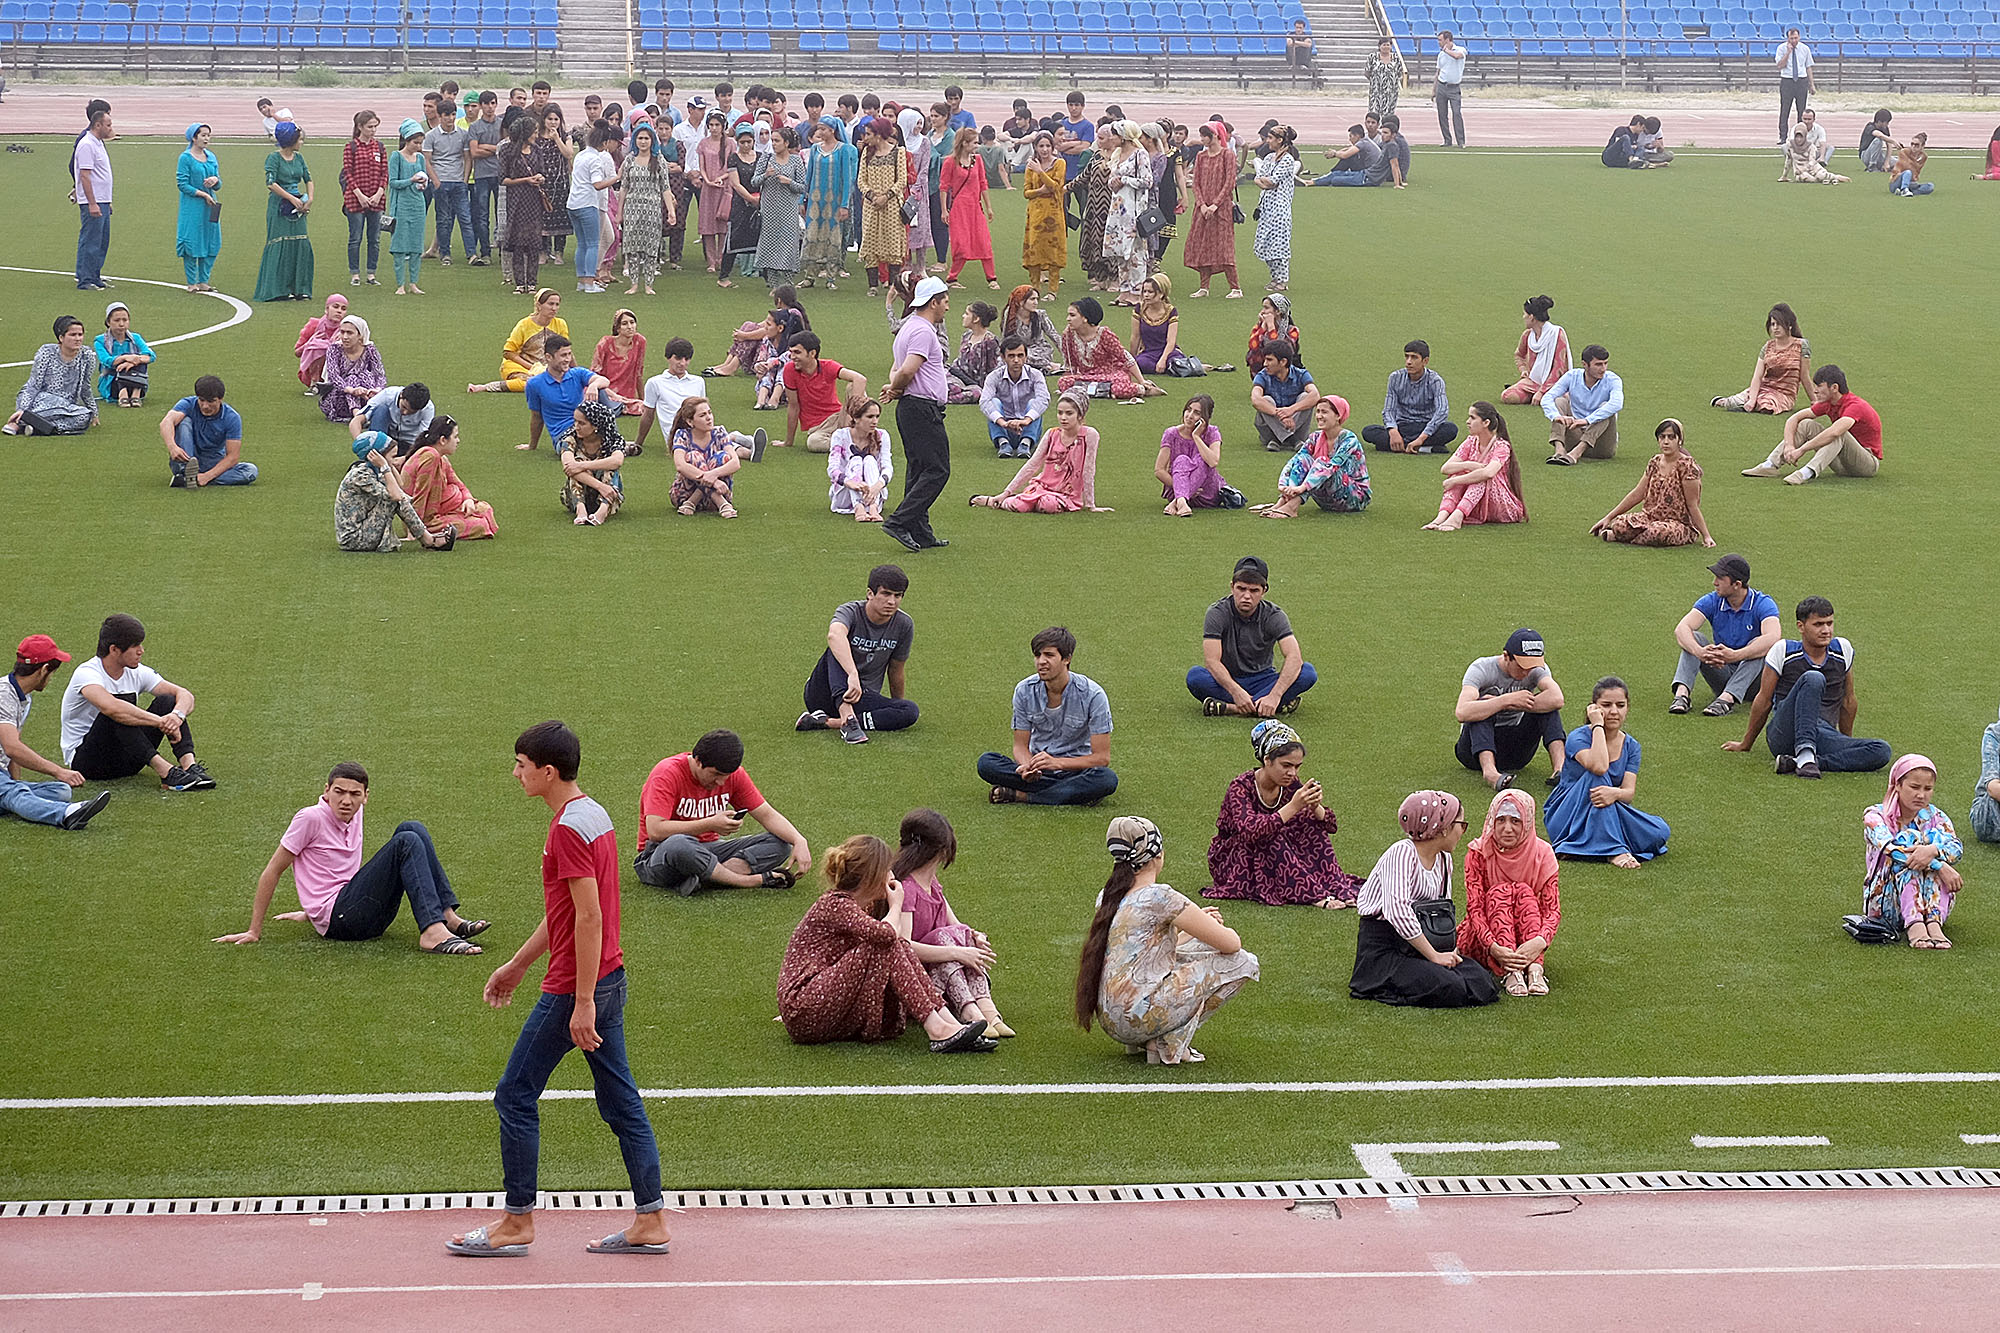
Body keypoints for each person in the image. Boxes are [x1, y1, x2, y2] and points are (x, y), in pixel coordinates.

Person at [446, 721, 672, 1260]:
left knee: (515, 1094)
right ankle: (651, 1218)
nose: (516, 773)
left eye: (521, 764)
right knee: (621, 1101)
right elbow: (567, 911)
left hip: (576, 988)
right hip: (609, 978)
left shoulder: (566, 831)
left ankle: (516, 1221)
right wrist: (518, 964)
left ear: (547, 772)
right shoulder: (594, 815)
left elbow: (589, 917)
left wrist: (582, 1002)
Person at [216, 761, 487, 954]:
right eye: (339, 792)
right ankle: (432, 932)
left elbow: (332, 870)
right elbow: (273, 870)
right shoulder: (309, 818)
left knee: (412, 828)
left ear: (365, 797)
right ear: (326, 790)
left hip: (360, 911)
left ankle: (448, 917)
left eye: (355, 794)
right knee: (406, 842)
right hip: (342, 922)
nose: (346, 801)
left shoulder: (355, 812)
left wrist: (310, 913)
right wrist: (254, 930)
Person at [777, 834, 996, 1052]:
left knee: (897, 943)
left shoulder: (862, 905)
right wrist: (897, 904)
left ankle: (948, 1024)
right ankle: (938, 1028)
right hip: (805, 1007)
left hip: (825, 1005)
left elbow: (894, 940)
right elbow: (886, 935)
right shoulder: (835, 904)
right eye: (886, 870)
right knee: (887, 942)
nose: (891, 875)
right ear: (871, 877)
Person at [1076, 815, 1259, 1065]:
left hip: (1112, 1019)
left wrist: (1194, 928)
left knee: (1196, 947)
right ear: (1157, 855)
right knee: (1243, 962)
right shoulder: (1160, 897)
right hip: (1139, 1016)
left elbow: (1146, 951)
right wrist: (1212, 925)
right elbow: (1231, 944)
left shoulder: (1107, 896)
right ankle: (1167, 1041)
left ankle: (1145, 1041)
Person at [1350, 790, 1500, 1007]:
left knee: (1481, 982)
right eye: (1461, 824)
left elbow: (1443, 909)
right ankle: (1379, 982)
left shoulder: (1444, 859)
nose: (1462, 831)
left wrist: (1447, 949)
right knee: (1450, 987)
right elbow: (1397, 911)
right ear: (1444, 827)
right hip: (1387, 949)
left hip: (1425, 942)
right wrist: (1434, 956)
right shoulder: (1402, 853)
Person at [1725, 596, 1891, 778]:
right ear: (1801, 626)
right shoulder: (1783, 650)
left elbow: (1848, 700)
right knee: (1813, 678)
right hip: (1785, 733)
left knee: (1882, 750)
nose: (1826, 630)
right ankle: (1805, 753)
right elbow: (1763, 700)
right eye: (1818, 624)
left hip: (1822, 733)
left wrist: (1846, 741)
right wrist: (1746, 744)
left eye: (1829, 623)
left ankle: (1803, 762)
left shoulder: (1843, 650)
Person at [1203, 720, 1361, 909]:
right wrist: (1294, 806)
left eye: (1297, 766)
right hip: (1233, 859)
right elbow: (1250, 832)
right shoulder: (1240, 787)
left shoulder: (1291, 784)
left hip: (1274, 854)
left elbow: (1330, 826)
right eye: (1286, 765)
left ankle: (1334, 884)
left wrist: (1315, 806)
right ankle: (1312, 894)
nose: (1292, 773)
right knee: (1271, 834)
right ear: (1267, 760)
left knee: (1309, 823)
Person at [634, 729, 810, 896]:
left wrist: (798, 840)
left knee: (781, 844)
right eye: (716, 774)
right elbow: (655, 831)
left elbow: (766, 814)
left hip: (709, 851)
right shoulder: (666, 773)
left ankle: (707, 879)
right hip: (660, 856)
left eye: (726, 775)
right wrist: (710, 824)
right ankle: (748, 881)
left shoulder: (733, 775)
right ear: (698, 761)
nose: (721, 782)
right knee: (679, 843)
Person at [59, 613, 215, 791]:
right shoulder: (87, 674)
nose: (141, 651)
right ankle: (167, 774)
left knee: (168, 701)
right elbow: (112, 708)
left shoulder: (137, 672)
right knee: (117, 712)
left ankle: (189, 766)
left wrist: (176, 717)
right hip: (89, 764)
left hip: (130, 759)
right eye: (135, 646)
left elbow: (184, 695)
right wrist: (160, 722)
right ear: (114, 650)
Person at [892, 809, 1013, 1037]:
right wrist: (957, 952)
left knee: (956, 938)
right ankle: (970, 1012)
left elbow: (955, 926)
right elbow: (904, 946)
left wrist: (974, 938)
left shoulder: (932, 883)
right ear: (940, 851)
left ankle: (988, 1011)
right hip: (919, 978)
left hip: (939, 966)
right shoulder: (907, 888)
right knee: (945, 942)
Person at [976, 626, 1118, 806]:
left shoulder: (1093, 695)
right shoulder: (1024, 691)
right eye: (1037, 655)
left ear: (1067, 659)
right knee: (986, 763)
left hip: (1076, 770)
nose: (1041, 662)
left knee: (1106, 778)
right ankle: (1070, 793)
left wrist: (1057, 763)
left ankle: (1023, 796)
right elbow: (1020, 746)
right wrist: (1028, 767)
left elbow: (1102, 758)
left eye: (1049, 655)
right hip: (1040, 771)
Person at [1543, 677, 1670, 868]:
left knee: (1659, 831)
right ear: (1593, 707)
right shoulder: (1578, 737)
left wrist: (1614, 793)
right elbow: (1599, 766)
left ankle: (1583, 847)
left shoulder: (1632, 746)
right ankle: (1614, 850)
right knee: (1597, 777)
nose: (1614, 711)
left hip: (1606, 806)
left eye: (1620, 705)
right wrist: (1597, 725)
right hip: (1567, 811)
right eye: (1606, 705)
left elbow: (1628, 793)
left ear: (1627, 708)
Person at [0, 634, 112, 832]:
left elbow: (12, 747)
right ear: (44, 669)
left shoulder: (22, 697)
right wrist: (58, 771)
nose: (51, 678)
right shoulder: (4, 696)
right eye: (52, 672)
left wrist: (14, 782)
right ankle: (66, 814)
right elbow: (12, 748)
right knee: (15, 792)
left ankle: (14, 798)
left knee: (60, 791)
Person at [797, 565, 919, 744]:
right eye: (886, 594)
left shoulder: (904, 624)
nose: (892, 602)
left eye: (897, 596)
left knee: (910, 710)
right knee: (837, 647)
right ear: (870, 593)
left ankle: (827, 722)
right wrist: (852, 674)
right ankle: (848, 720)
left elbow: (896, 669)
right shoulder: (851, 611)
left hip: (861, 696)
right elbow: (834, 635)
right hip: (823, 693)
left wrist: (896, 706)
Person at [1187, 555, 1315, 718]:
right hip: (1228, 680)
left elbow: (1294, 657)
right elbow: (1212, 661)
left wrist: (1275, 695)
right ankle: (1266, 707)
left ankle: (1230, 708)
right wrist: (1236, 691)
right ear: (1232, 587)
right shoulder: (1217, 613)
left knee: (1307, 673)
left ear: (1264, 591)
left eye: (1254, 590)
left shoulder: (1274, 615)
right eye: (1241, 589)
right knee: (1195, 677)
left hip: (1263, 679)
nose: (1246, 596)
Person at [1458, 789, 1558, 996]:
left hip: (1527, 936)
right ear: (1492, 821)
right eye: (1501, 820)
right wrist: (1494, 947)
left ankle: (1535, 969)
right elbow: (1475, 909)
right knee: (1501, 891)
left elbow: (1552, 910)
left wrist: (1538, 943)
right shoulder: (1478, 852)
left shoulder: (1543, 853)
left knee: (1523, 892)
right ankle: (1511, 971)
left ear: (1527, 823)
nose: (1507, 829)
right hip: (1481, 940)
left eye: (1515, 821)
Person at [881, 276, 954, 553]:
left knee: (919, 469)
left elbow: (896, 369)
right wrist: (897, 387)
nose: (947, 307)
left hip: (912, 407)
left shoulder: (908, 327)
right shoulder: (924, 331)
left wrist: (895, 387)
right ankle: (899, 521)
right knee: (938, 470)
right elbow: (908, 369)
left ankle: (920, 530)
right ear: (933, 302)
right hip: (922, 408)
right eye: (945, 301)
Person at [1862, 755, 1965, 948]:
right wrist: (1939, 865)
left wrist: (1933, 850)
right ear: (1897, 785)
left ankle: (1933, 924)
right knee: (1912, 861)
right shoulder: (1875, 816)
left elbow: (1956, 847)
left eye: (1928, 789)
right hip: (1885, 902)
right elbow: (1893, 851)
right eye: (1914, 787)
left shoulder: (1936, 816)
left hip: (1930, 902)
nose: (1921, 795)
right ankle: (1915, 925)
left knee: (1928, 852)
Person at [1669, 553, 1783, 718]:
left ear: (1737, 584)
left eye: (1720, 578)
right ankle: (1682, 695)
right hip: (1722, 671)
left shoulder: (1763, 603)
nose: (1714, 582)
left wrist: (1737, 655)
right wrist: (1699, 652)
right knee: (1694, 637)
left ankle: (1727, 699)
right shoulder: (1712, 600)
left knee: (1760, 645)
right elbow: (1682, 628)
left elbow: (1773, 637)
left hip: (1754, 682)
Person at [1455, 628, 1567, 790]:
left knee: (1549, 709)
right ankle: (1490, 773)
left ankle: (1560, 770)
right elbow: (1462, 711)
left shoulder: (1537, 670)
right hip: (1473, 752)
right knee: (1482, 705)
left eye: (1532, 666)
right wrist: (1504, 701)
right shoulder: (1481, 668)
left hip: (1516, 753)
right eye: (1522, 666)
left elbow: (1557, 698)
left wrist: (1519, 703)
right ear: (1506, 656)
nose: (1527, 672)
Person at [970, 391, 1108, 514]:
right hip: (1042, 487)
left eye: (1069, 413)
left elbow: (1088, 470)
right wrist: (1006, 492)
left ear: (1080, 416)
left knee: (1047, 504)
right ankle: (995, 501)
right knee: (1017, 505)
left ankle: (1032, 501)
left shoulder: (1089, 435)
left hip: (1067, 494)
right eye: (1060, 413)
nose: (1063, 418)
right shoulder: (1052, 434)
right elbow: (1032, 464)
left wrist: (1090, 505)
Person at [1742, 364, 1880, 485]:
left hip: (1866, 465)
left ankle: (1806, 473)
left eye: (1819, 386)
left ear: (1834, 387)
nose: (1815, 390)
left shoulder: (1855, 406)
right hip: (1841, 463)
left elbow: (1835, 432)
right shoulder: (1828, 403)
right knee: (1806, 424)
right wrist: (1789, 446)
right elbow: (1793, 419)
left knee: (1839, 433)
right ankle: (1770, 465)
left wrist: (1802, 450)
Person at [1590, 418, 1712, 548]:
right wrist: (1608, 518)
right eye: (1662, 437)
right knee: (1619, 524)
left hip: (1678, 523)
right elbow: (1638, 493)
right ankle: (1626, 534)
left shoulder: (1687, 467)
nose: (1666, 442)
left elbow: (1693, 505)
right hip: (1649, 517)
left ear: (1679, 440)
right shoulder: (1655, 462)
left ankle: (1620, 537)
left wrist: (1706, 536)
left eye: (1671, 437)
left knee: (1658, 532)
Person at [337, 434, 457, 552]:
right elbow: (396, 496)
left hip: (362, 530)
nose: (395, 460)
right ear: (378, 456)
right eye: (393, 456)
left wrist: (388, 465)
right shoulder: (361, 475)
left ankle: (427, 538)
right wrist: (384, 466)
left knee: (397, 496)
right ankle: (428, 540)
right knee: (393, 499)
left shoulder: (373, 470)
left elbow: (400, 485)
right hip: (353, 539)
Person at [1259, 395, 1369, 518]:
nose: (1319, 416)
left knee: (1323, 463)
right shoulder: (1315, 437)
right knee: (1304, 459)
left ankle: (1292, 506)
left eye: (1324, 412)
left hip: (1354, 498)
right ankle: (1283, 501)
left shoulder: (1349, 440)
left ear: (1338, 416)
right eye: (1318, 411)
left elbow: (1331, 466)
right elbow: (1296, 460)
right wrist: (1283, 485)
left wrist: (1302, 487)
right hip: (1327, 499)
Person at [1425, 401, 1525, 531]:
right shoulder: (1471, 441)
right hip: (1476, 501)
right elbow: (1446, 468)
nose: (1467, 422)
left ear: (1486, 423)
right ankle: (1441, 516)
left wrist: (1455, 480)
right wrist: (1468, 465)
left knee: (1479, 478)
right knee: (1460, 472)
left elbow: (1488, 473)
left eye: (1472, 418)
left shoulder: (1501, 446)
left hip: (1500, 504)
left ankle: (1457, 517)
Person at [400, 415, 495, 540]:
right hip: (427, 520)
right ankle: (430, 532)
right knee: (481, 525)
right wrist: (414, 529)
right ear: (443, 440)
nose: (458, 441)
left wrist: (468, 500)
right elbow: (420, 495)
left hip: (444, 507)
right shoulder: (430, 457)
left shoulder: (440, 457)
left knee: (485, 509)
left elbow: (459, 484)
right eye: (455, 437)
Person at [4, 316, 98, 437]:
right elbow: (33, 385)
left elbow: (85, 387)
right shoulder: (46, 352)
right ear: (61, 338)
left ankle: (33, 427)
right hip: (40, 399)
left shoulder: (87, 355)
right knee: (48, 408)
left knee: (84, 416)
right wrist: (22, 409)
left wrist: (94, 412)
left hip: (66, 406)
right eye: (73, 335)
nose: (77, 339)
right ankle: (23, 419)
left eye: (80, 335)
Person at [252, 118, 314, 302]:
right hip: (280, 206)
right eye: (299, 139)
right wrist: (291, 198)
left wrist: (309, 198)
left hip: (298, 205)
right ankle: (276, 289)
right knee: (280, 242)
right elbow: (271, 183)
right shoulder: (274, 158)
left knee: (300, 241)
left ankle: (300, 288)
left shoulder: (299, 158)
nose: (301, 142)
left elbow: (308, 178)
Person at [160, 374, 256, 489]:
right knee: (184, 421)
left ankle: (188, 479)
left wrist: (207, 476)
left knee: (250, 470)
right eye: (201, 400)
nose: (205, 406)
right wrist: (173, 447)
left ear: (220, 399)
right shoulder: (188, 403)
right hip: (185, 457)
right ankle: (186, 470)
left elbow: (233, 456)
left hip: (212, 460)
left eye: (211, 401)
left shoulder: (231, 417)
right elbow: (166, 422)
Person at [1712, 303, 1809, 414]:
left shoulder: (1801, 346)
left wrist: (1815, 401)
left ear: (1789, 325)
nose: (1775, 328)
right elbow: (1757, 376)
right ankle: (1731, 402)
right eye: (1773, 324)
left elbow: (1804, 376)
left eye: (1779, 324)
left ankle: (1752, 405)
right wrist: (1752, 400)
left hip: (1784, 394)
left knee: (1767, 405)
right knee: (1738, 400)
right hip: (1765, 387)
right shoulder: (1768, 347)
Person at [496, 112, 555, 296]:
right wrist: (525, 180)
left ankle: (532, 282)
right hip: (517, 201)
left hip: (534, 201)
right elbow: (503, 179)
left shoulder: (536, 150)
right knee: (518, 242)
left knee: (534, 243)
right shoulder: (507, 151)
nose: (536, 135)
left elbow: (543, 172)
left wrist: (540, 178)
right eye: (534, 132)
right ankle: (520, 283)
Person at [1363, 340, 1456, 454]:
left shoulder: (1435, 381)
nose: (1408, 362)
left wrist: (1422, 437)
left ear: (1425, 361)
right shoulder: (1395, 378)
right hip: (1402, 426)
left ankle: (1403, 445)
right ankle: (1425, 448)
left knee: (1450, 429)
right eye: (1406, 357)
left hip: (1425, 426)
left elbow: (1442, 411)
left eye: (1414, 357)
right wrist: (1393, 431)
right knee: (1368, 432)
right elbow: (1388, 410)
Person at [523, 334, 612, 453]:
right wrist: (532, 446)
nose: (568, 359)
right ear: (548, 357)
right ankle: (608, 447)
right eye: (563, 355)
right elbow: (537, 417)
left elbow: (604, 381)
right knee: (570, 446)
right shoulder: (534, 384)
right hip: (563, 435)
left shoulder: (578, 373)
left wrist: (593, 385)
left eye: (569, 354)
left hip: (586, 429)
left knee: (601, 390)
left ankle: (610, 439)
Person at [782, 332, 868, 453]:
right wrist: (788, 442)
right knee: (813, 443)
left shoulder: (828, 366)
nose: (792, 356)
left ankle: (853, 437)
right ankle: (853, 442)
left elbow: (860, 379)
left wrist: (850, 418)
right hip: (819, 428)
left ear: (812, 353)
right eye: (791, 352)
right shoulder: (789, 370)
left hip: (839, 417)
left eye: (797, 352)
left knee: (854, 386)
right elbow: (793, 406)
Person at [1058, 296, 1153, 403]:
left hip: (1110, 375)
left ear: (1085, 318)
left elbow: (1125, 357)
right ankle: (1104, 391)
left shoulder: (1104, 334)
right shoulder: (1068, 335)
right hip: (1086, 377)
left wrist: (1142, 380)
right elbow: (1070, 364)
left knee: (1118, 388)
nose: (1068, 319)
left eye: (1072, 315)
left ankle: (1140, 389)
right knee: (1064, 382)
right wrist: (1071, 380)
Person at [474, 289, 569, 396]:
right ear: (539, 305)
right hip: (520, 366)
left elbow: (566, 350)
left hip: (548, 368)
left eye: (557, 304)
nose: (554, 308)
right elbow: (508, 352)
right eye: (550, 304)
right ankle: (486, 387)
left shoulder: (560, 324)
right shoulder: (524, 325)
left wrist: (575, 370)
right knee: (531, 383)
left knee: (564, 382)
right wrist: (532, 367)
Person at [1183, 123, 1240, 298]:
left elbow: (1229, 182)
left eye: (1204, 136)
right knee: (1202, 244)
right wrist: (1202, 204)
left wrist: (1215, 204)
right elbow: (1196, 183)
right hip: (1202, 209)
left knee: (1224, 247)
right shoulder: (1201, 156)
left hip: (1221, 209)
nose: (1202, 139)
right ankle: (1204, 286)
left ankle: (1235, 287)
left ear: (1215, 135)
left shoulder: (1227, 155)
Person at [1542, 343, 1623, 465]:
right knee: (1560, 401)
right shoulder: (1572, 376)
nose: (1603, 369)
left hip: (1601, 445)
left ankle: (1577, 453)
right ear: (1585, 364)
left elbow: (1617, 404)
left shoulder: (1613, 379)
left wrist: (1587, 420)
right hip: (1575, 434)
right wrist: (1556, 416)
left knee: (1606, 408)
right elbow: (1547, 398)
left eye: (1605, 363)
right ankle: (1559, 450)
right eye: (1598, 364)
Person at [800, 116, 856, 290]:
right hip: (815, 201)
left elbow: (847, 178)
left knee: (833, 238)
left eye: (823, 129)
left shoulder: (843, 150)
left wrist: (844, 204)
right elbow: (808, 176)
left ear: (832, 130)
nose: (820, 132)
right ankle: (810, 276)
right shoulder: (815, 149)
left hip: (834, 202)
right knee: (812, 235)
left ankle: (831, 277)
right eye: (819, 129)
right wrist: (802, 199)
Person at [753, 126, 810, 290]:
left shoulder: (796, 161)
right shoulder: (766, 159)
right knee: (770, 244)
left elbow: (803, 187)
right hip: (769, 210)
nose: (773, 144)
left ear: (786, 143)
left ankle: (788, 284)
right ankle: (773, 285)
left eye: (777, 140)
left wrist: (789, 182)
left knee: (788, 244)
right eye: (772, 140)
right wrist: (765, 175)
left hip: (788, 210)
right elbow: (754, 181)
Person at [855, 118, 909, 291]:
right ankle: (873, 286)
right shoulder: (867, 153)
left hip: (891, 205)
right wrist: (872, 196)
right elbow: (861, 180)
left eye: (869, 134)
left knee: (893, 243)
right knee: (870, 241)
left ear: (879, 135)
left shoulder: (898, 152)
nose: (865, 138)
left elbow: (902, 180)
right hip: (871, 205)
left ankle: (893, 285)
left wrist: (886, 196)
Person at [940, 128, 997, 289]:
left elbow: (982, 183)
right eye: (974, 142)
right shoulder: (950, 162)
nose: (977, 146)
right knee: (961, 243)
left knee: (984, 241)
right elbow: (944, 187)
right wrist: (944, 210)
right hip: (959, 208)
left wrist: (989, 207)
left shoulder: (977, 160)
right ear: (964, 143)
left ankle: (991, 277)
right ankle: (952, 277)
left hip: (975, 207)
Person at [618, 125, 670, 294]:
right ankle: (634, 284)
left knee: (651, 247)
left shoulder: (659, 160)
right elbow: (624, 187)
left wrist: (671, 211)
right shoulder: (629, 160)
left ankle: (648, 284)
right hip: (632, 208)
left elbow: (665, 187)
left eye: (646, 138)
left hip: (652, 208)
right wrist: (619, 212)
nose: (643, 141)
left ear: (652, 140)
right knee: (632, 248)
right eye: (640, 138)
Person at [1157, 394, 1229, 516]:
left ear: (1205, 418)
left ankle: (1177, 502)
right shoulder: (1171, 434)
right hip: (1175, 489)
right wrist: (1183, 487)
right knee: (1181, 460)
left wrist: (1196, 436)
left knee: (1202, 459)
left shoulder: (1212, 432)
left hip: (1205, 493)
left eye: (1197, 413)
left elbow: (1213, 461)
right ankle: (1182, 502)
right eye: (1188, 410)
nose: (1190, 416)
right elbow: (1159, 470)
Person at [567, 122, 619, 293]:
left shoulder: (581, 155)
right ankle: (589, 282)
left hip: (573, 203)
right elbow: (597, 184)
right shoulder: (596, 159)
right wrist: (616, 178)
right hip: (587, 204)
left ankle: (582, 280)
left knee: (582, 244)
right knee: (592, 244)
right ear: (604, 143)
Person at [981, 335, 1050, 461]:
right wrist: (1003, 423)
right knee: (993, 402)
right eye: (1011, 356)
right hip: (1003, 426)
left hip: (1028, 426)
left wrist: (1026, 420)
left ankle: (1025, 444)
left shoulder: (1035, 375)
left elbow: (1043, 399)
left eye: (1020, 355)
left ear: (1026, 357)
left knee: (1034, 403)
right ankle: (1003, 443)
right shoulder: (994, 376)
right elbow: (984, 401)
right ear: (1003, 357)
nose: (1016, 360)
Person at [666, 397, 737, 518]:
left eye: (709, 413)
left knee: (723, 457)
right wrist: (714, 481)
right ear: (690, 421)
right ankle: (722, 504)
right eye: (702, 415)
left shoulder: (719, 432)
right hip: (685, 496)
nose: (709, 418)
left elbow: (735, 462)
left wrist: (713, 474)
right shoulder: (683, 435)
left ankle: (692, 503)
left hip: (719, 493)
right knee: (693, 456)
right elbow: (680, 465)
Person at [340, 110, 388, 287]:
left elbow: (385, 173)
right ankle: (355, 273)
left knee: (374, 239)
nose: (373, 130)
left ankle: (371, 273)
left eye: (375, 126)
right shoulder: (351, 147)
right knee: (355, 238)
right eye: (370, 127)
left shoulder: (380, 147)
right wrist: (359, 195)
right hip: (355, 200)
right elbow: (348, 173)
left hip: (376, 200)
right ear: (360, 127)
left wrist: (379, 193)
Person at [1250, 124, 1301, 292]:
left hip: (1279, 208)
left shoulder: (1287, 160)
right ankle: (1274, 277)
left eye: (1271, 138)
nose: (1268, 141)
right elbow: (1259, 178)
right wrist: (1263, 181)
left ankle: (1282, 279)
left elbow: (1271, 181)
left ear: (1280, 140)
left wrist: (1264, 181)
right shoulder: (1268, 158)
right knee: (1264, 243)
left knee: (1279, 245)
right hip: (1266, 207)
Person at [173, 123, 222, 292]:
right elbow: (182, 184)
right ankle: (191, 282)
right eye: (203, 135)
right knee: (192, 241)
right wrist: (202, 194)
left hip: (211, 205)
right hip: (193, 206)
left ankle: (204, 281)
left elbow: (219, 183)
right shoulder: (185, 158)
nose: (206, 139)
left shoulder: (211, 157)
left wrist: (215, 181)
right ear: (194, 138)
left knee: (211, 240)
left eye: (208, 135)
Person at [423, 105, 473, 265]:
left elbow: (467, 157)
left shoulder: (463, 134)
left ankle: (471, 254)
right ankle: (445, 254)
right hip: (441, 181)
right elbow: (426, 160)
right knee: (443, 219)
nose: (450, 118)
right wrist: (436, 181)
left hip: (458, 182)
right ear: (440, 116)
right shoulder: (431, 136)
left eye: (453, 114)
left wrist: (465, 179)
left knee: (465, 218)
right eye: (446, 115)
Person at [385, 118, 430, 296]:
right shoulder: (396, 156)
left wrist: (422, 184)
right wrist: (411, 180)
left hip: (417, 205)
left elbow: (423, 178)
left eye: (420, 143)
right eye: (415, 142)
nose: (418, 146)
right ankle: (400, 284)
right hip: (401, 206)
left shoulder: (420, 158)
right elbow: (393, 182)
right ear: (406, 140)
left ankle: (413, 283)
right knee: (400, 245)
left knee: (416, 246)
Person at [72, 103, 114, 291]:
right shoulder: (87, 145)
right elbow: (85, 176)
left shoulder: (97, 142)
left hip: (102, 199)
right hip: (94, 201)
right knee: (91, 240)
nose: (111, 129)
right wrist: (92, 203)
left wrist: (107, 200)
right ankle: (85, 278)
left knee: (101, 241)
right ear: (98, 125)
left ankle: (95, 275)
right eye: (108, 125)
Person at [1249, 340, 1319, 454]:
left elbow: (1315, 395)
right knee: (1266, 400)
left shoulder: (1301, 374)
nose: (1265, 364)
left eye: (1269, 360)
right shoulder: (1262, 376)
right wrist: (1281, 415)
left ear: (1283, 362)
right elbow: (1255, 399)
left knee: (1306, 397)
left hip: (1295, 428)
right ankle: (1292, 440)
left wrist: (1291, 410)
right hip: (1270, 433)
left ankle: (1279, 439)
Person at [831, 399, 893, 522]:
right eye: (870, 417)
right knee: (856, 460)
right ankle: (858, 507)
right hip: (846, 494)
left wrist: (876, 487)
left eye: (877, 416)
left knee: (869, 460)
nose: (875, 421)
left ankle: (873, 507)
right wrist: (851, 483)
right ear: (856, 418)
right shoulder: (840, 435)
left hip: (873, 492)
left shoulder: (882, 435)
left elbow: (887, 467)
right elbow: (832, 468)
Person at [1021, 132, 1067, 295]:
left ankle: (1053, 290)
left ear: (1053, 147)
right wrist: (1039, 191)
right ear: (1035, 147)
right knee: (1035, 250)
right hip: (1036, 214)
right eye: (1041, 146)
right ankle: (1035, 289)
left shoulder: (1059, 163)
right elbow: (1026, 192)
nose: (1045, 149)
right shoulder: (1031, 166)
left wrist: (1040, 172)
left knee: (1053, 251)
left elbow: (1055, 186)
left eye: (1048, 146)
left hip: (1053, 214)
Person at [317, 315, 385, 423]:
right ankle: (357, 414)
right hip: (339, 398)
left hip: (365, 396)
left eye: (349, 333)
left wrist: (376, 390)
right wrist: (352, 390)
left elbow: (379, 375)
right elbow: (334, 376)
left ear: (360, 335)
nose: (345, 337)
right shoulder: (334, 349)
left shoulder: (370, 349)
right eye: (342, 332)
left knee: (365, 375)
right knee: (352, 378)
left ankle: (368, 410)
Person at [1501, 295, 1568, 406]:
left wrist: (1541, 392)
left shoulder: (1557, 335)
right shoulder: (1527, 335)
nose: (1523, 317)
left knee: (1560, 400)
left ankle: (1544, 396)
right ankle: (1539, 396)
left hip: (1555, 384)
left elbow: (1558, 369)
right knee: (1508, 396)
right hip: (1533, 382)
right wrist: (1523, 369)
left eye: (1524, 314)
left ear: (1531, 317)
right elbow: (1519, 355)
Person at [467, 91, 504, 269]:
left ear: (496, 104)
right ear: (481, 106)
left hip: (500, 175)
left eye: (493, 103)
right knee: (482, 215)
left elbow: (505, 149)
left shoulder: (502, 125)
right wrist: (495, 148)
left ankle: (503, 251)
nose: (490, 107)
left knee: (501, 214)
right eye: (486, 104)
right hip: (481, 175)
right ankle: (485, 252)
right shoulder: (475, 127)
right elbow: (474, 152)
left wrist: (486, 147)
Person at [589, 310, 647, 419]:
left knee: (639, 406)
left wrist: (643, 401)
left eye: (632, 322)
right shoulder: (605, 343)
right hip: (604, 390)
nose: (630, 327)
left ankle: (618, 407)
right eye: (624, 324)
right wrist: (612, 394)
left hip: (627, 396)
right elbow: (593, 375)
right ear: (618, 328)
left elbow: (639, 373)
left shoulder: (640, 341)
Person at [93, 302, 153, 408]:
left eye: (125, 320)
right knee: (126, 361)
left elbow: (151, 356)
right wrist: (126, 358)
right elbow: (107, 360)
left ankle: (136, 395)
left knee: (140, 360)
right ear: (108, 322)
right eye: (117, 320)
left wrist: (134, 361)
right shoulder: (100, 341)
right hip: (112, 384)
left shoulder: (135, 338)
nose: (121, 324)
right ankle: (123, 394)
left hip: (135, 381)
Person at [354, 382, 435, 457]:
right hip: (387, 438)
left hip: (409, 444)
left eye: (411, 412)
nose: (405, 412)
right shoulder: (388, 395)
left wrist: (406, 457)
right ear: (401, 395)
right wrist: (361, 443)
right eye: (404, 407)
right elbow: (356, 421)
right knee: (381, 409)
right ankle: (375, 452)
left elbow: (421, 439)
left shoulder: (428, 409)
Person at [999, 286, 1062, 375]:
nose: (1036, 302)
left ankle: (1045, 365)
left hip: (1038, 349)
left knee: (1025, 356)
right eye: (1032, 299)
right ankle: (1043, 367)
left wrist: (1067, 355)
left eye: (1037, 299)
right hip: (1017, 348)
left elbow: (1053, 334)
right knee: (1002, 359)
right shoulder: (1010, 314)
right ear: (1021, 301)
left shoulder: (1040, 315)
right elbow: (1005, 337)